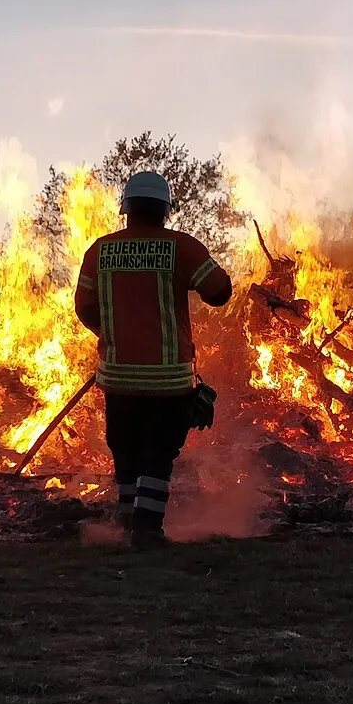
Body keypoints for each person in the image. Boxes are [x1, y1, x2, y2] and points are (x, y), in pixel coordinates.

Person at [72, 169, 233, 545]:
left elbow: (84, 306)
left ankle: (127, 522)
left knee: (125, 449)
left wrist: (112, 334)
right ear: (164, 209)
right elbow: (219, 292)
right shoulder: (181, 247)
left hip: (118, 377)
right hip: (168, 380)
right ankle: (146, 528)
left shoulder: (100, 250)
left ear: (126, 208)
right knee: (158, 453)